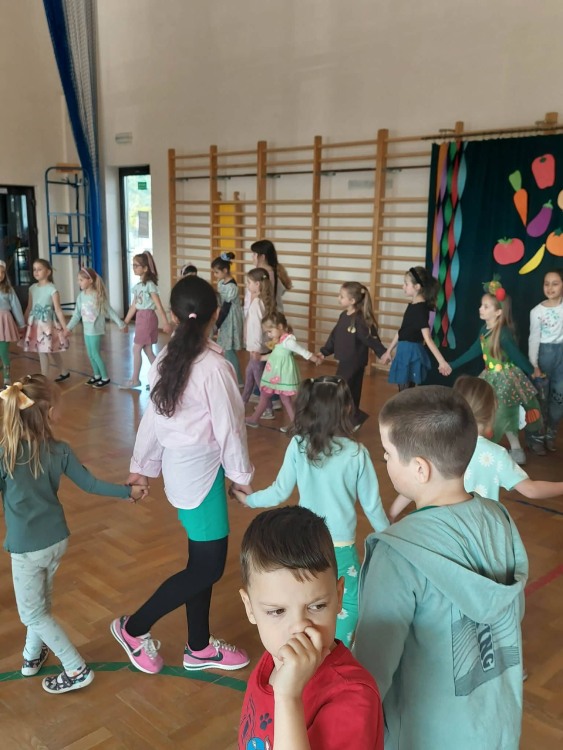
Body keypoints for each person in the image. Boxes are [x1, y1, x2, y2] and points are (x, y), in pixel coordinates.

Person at [354, 386, 528, 750]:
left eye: (387, 454)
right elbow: (512, 613)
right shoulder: (500, 519)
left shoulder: (396, 553)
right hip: (496, 728)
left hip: (424, 738)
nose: (384, 460)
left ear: (420, 468)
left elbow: (371, 672)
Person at [111, 275, 254, 674]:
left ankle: (199, 646)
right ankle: (133, 628)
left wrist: (141, 468)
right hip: (203, 480)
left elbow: (152, 420)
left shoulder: (165, 359)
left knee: (200, 563)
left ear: (172, 316)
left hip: (184, 473)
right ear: (215, 315)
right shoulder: (214, 366)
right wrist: (241, 476)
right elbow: (230, 428)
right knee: (207, 568)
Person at [0, 376, 146, 694]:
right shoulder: (60, 450)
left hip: (26, 548)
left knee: (32, 613)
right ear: (49, 412)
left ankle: (75, 669)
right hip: (56, 541)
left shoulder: (5, 454)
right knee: (39, 606)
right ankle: (32, 656)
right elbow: (91, 484)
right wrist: (128, 492)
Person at [234, 376, 389, 645]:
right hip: (342, 549)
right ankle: (335, 652)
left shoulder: (298, 446)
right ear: (346, 409)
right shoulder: (356, 452)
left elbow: (279, 491)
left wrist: (251, 500)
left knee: (305, 604)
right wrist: (394, 539)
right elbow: (373, 506)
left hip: (307, 545)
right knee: (348, 604)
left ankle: (307, 654)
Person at [239, 506, 384, 750]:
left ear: (338, 596)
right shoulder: (270, 662)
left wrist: (288, 697)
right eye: (277, 611)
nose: (299, 628)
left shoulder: (353, 695)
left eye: (316, 606)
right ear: (249, 607)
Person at [388, 375, 563, 519]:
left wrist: (391, 514)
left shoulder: (438, 444)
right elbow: (531, 490)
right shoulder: (496, 455)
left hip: (442, 530)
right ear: (491, 414)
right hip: (479, 534)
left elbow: (418, 482)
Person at [443, 278, 545, 464]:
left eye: (486, 306)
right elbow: (473, 351)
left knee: (505, 412)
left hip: (506, 379)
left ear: (498, 312)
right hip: (489, 377)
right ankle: (501, 447)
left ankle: (514, 450)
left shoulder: (503, 333)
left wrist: (532, 370)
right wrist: (452, 365)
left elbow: (516, 356)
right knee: (489, 411)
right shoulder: (484, 330)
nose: (480, 309)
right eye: (481, 305)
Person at [318, 281, 386, 429]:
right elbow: (334, 336)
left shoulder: (360, 319)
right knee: (350, 391)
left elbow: (370, 338)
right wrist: (324, 351)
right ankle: (353, 418)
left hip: (354, 362)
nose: (338, 298)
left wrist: (382, 353)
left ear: (352, 300)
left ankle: (347, 419)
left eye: (342, 296)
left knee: (341, 390)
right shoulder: (344, 316)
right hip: (345, 361)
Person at [245, 312, 321, 431]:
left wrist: (315, 358)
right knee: (268, 396)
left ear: (280, 327)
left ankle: (295, 424)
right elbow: (274, 356)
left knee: (282, 399)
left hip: (282, 375)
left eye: (270, 331)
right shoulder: (279, 340)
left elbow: (303, 352)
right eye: (267, 332)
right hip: (274, 374)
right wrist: (260, 358)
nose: (269, 335)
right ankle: (255, 419)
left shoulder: (288, 341)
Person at [381, 266, 449, 389]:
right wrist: (388, 351)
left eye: (406, 284)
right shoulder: (413, 306)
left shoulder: (420, 310)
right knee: (404, 390)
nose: (403, 287)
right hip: (404, 350)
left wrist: (442, 361)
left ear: (417, 287)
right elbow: (402, 331)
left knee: (406, 391)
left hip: (410, 352)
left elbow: (428, 338)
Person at [66, 267, 128, 388]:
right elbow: (77, 315)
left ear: (90, 280)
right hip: (86, 330)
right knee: (90, 354)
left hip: (95, 330)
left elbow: (110, 311)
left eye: (81, 280)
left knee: (95, 354)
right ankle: (97, 375)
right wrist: (68, 328)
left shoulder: (98, 296)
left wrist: (121, 324)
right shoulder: (81, 296)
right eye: (78, 280)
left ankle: (105, 377)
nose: (78, 282)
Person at [120, 251, 172, 389]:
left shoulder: (150, 285)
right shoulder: (138, 287)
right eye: (133, 265)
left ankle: (135, 380)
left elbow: (159, 306)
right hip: (140, 318)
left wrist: (166, 322)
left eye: (136, 265)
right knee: (147, 350)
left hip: (147, 319)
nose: (134, 268)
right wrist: (125, 322)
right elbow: (134, 306)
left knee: (136, 348)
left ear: (145, 268)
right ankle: (162, 377)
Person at [528, 269, 563, 452]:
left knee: (558, 400)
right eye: (546, 283)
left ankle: (550, 434)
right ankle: (536, 437)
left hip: (561, 359)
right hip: (544, 357)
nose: (550, 287)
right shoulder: (537, 312)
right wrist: (534, 364)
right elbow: (534, 338)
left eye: (555, 283)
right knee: (540, 399)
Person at [20, 259, 70, 382]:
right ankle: (64, 372)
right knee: (48, 350)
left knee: (45, 351)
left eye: (39, 269)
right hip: (35, 325)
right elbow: (29, 307)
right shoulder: (32, 288)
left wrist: (65, 328)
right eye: (34, 269)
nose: (36, 272)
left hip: (47, 325)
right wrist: (23, 324)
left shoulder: (52, 289)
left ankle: (44, 379)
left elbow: (58, 310)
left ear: (48, 272)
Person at [241, 268, 274, 407]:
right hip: (263, 346)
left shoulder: (256, 304)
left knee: (259, 379)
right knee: (249, 373)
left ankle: (268, 407)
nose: (247, 285)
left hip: (257, 348)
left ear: (257, 284)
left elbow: (255, 329)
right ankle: (242, 402)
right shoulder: (263, 301)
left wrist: (254, 348)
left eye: (249, 282)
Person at [211, 251, 244, 385]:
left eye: (217, 272)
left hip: (230, 319)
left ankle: (238, 379)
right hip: (224, 318)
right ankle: (229, 376)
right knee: (225, 348)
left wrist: (217, 324)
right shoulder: (221, 283)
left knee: (228, 349)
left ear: (225, 270)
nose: (215, 275)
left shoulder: (231, 286)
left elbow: (226, 307)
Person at [0, 259, 25, 385]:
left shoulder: (8, 289)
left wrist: (21, 324)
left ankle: (7, 377)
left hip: (4, 322)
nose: (0, 275)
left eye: (2, 272)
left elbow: (16, 306)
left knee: (3, 351)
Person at [251, 239, 292, 313]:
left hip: (268, 316)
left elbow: (262, 300)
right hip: (274, 313)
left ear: (262, 257)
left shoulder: (266, 275)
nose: (252, 257)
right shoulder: (274, 271)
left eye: (254, 254)